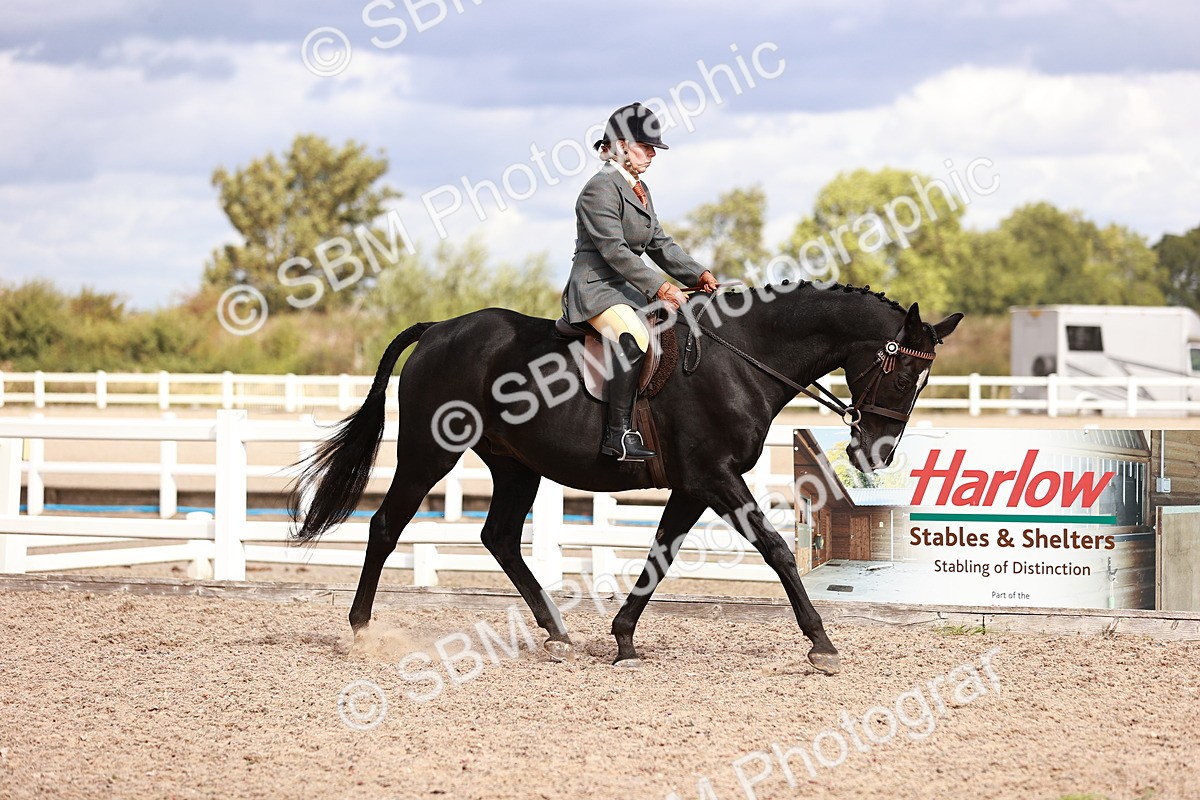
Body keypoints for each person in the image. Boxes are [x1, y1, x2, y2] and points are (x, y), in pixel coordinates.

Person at [561, 102, 718, 461]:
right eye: (644, 147)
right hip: (596, 288)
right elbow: (614, 250)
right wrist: (661, 287)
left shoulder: (639, 188)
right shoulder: (599, 189)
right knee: (634, 337)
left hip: (626, 289)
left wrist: (698, 273)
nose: (651, 154)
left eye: (653, 148)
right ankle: (618, 434)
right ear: (620, 146)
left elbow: (659, 243)